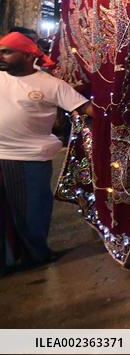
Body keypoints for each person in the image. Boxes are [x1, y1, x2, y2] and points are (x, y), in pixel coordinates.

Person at [0, 32, 91, 270]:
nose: (1, 56)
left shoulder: (51, 85)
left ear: (29, 55)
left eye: (7, 51)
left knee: (31, 212)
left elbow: (85, 108)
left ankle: (36, 255)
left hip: (29, 157)